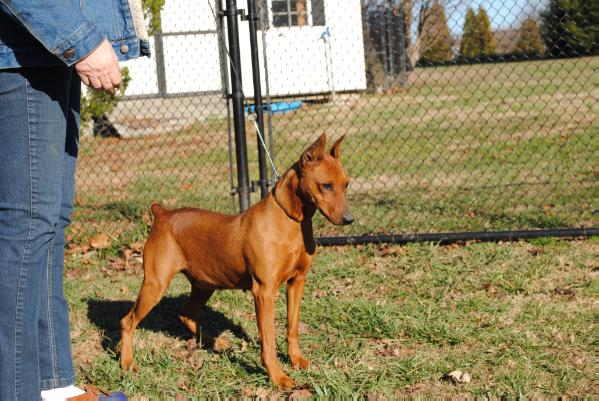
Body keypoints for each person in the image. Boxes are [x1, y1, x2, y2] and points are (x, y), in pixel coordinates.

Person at [0, 1, 150, 400]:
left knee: (49, 220)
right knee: (28, 225)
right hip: (24, 48)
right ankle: (15, 391)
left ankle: (54, 386)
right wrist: (78, 40)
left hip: (42, 48)